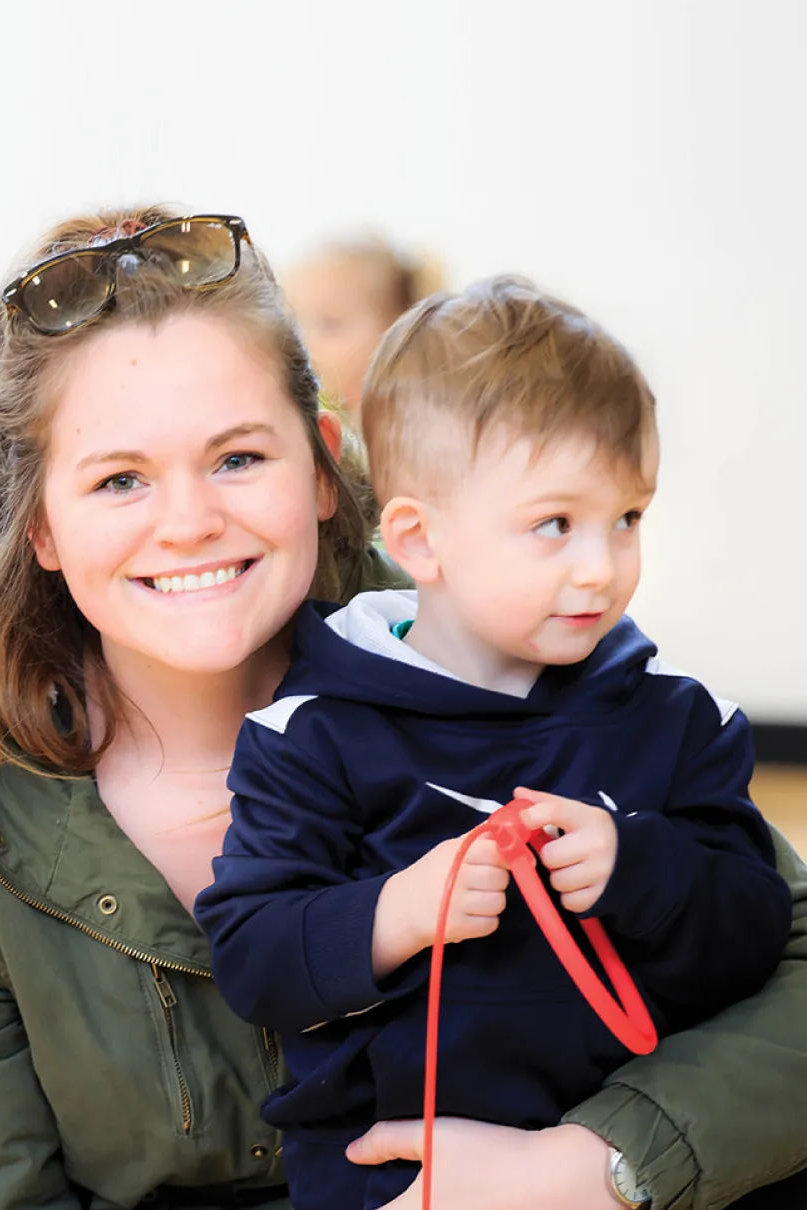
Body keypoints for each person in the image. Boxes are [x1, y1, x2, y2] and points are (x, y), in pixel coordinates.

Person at [0, 210, 804, 1210]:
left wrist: (590, 1166)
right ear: (41, 528)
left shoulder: (501, 655)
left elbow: (783, 961)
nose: (191, 520)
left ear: (323, 467)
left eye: (238, 458)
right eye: (120, 479)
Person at [194, 278, 793, 1210]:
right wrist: (399, 909)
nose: (602, 565)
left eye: (627, 518)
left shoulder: (679, 722)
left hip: (635, 1175)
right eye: (554, 524)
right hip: (394, 1178)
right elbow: (253, 955)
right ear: (420, 541)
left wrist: (644, 868)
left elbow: (756, 935)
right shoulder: (310, 732)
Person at [285, 237, 443, 422]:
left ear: (398, 332)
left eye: (329, 324)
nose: (304, 342)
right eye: (294, 323)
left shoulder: (410, 429)